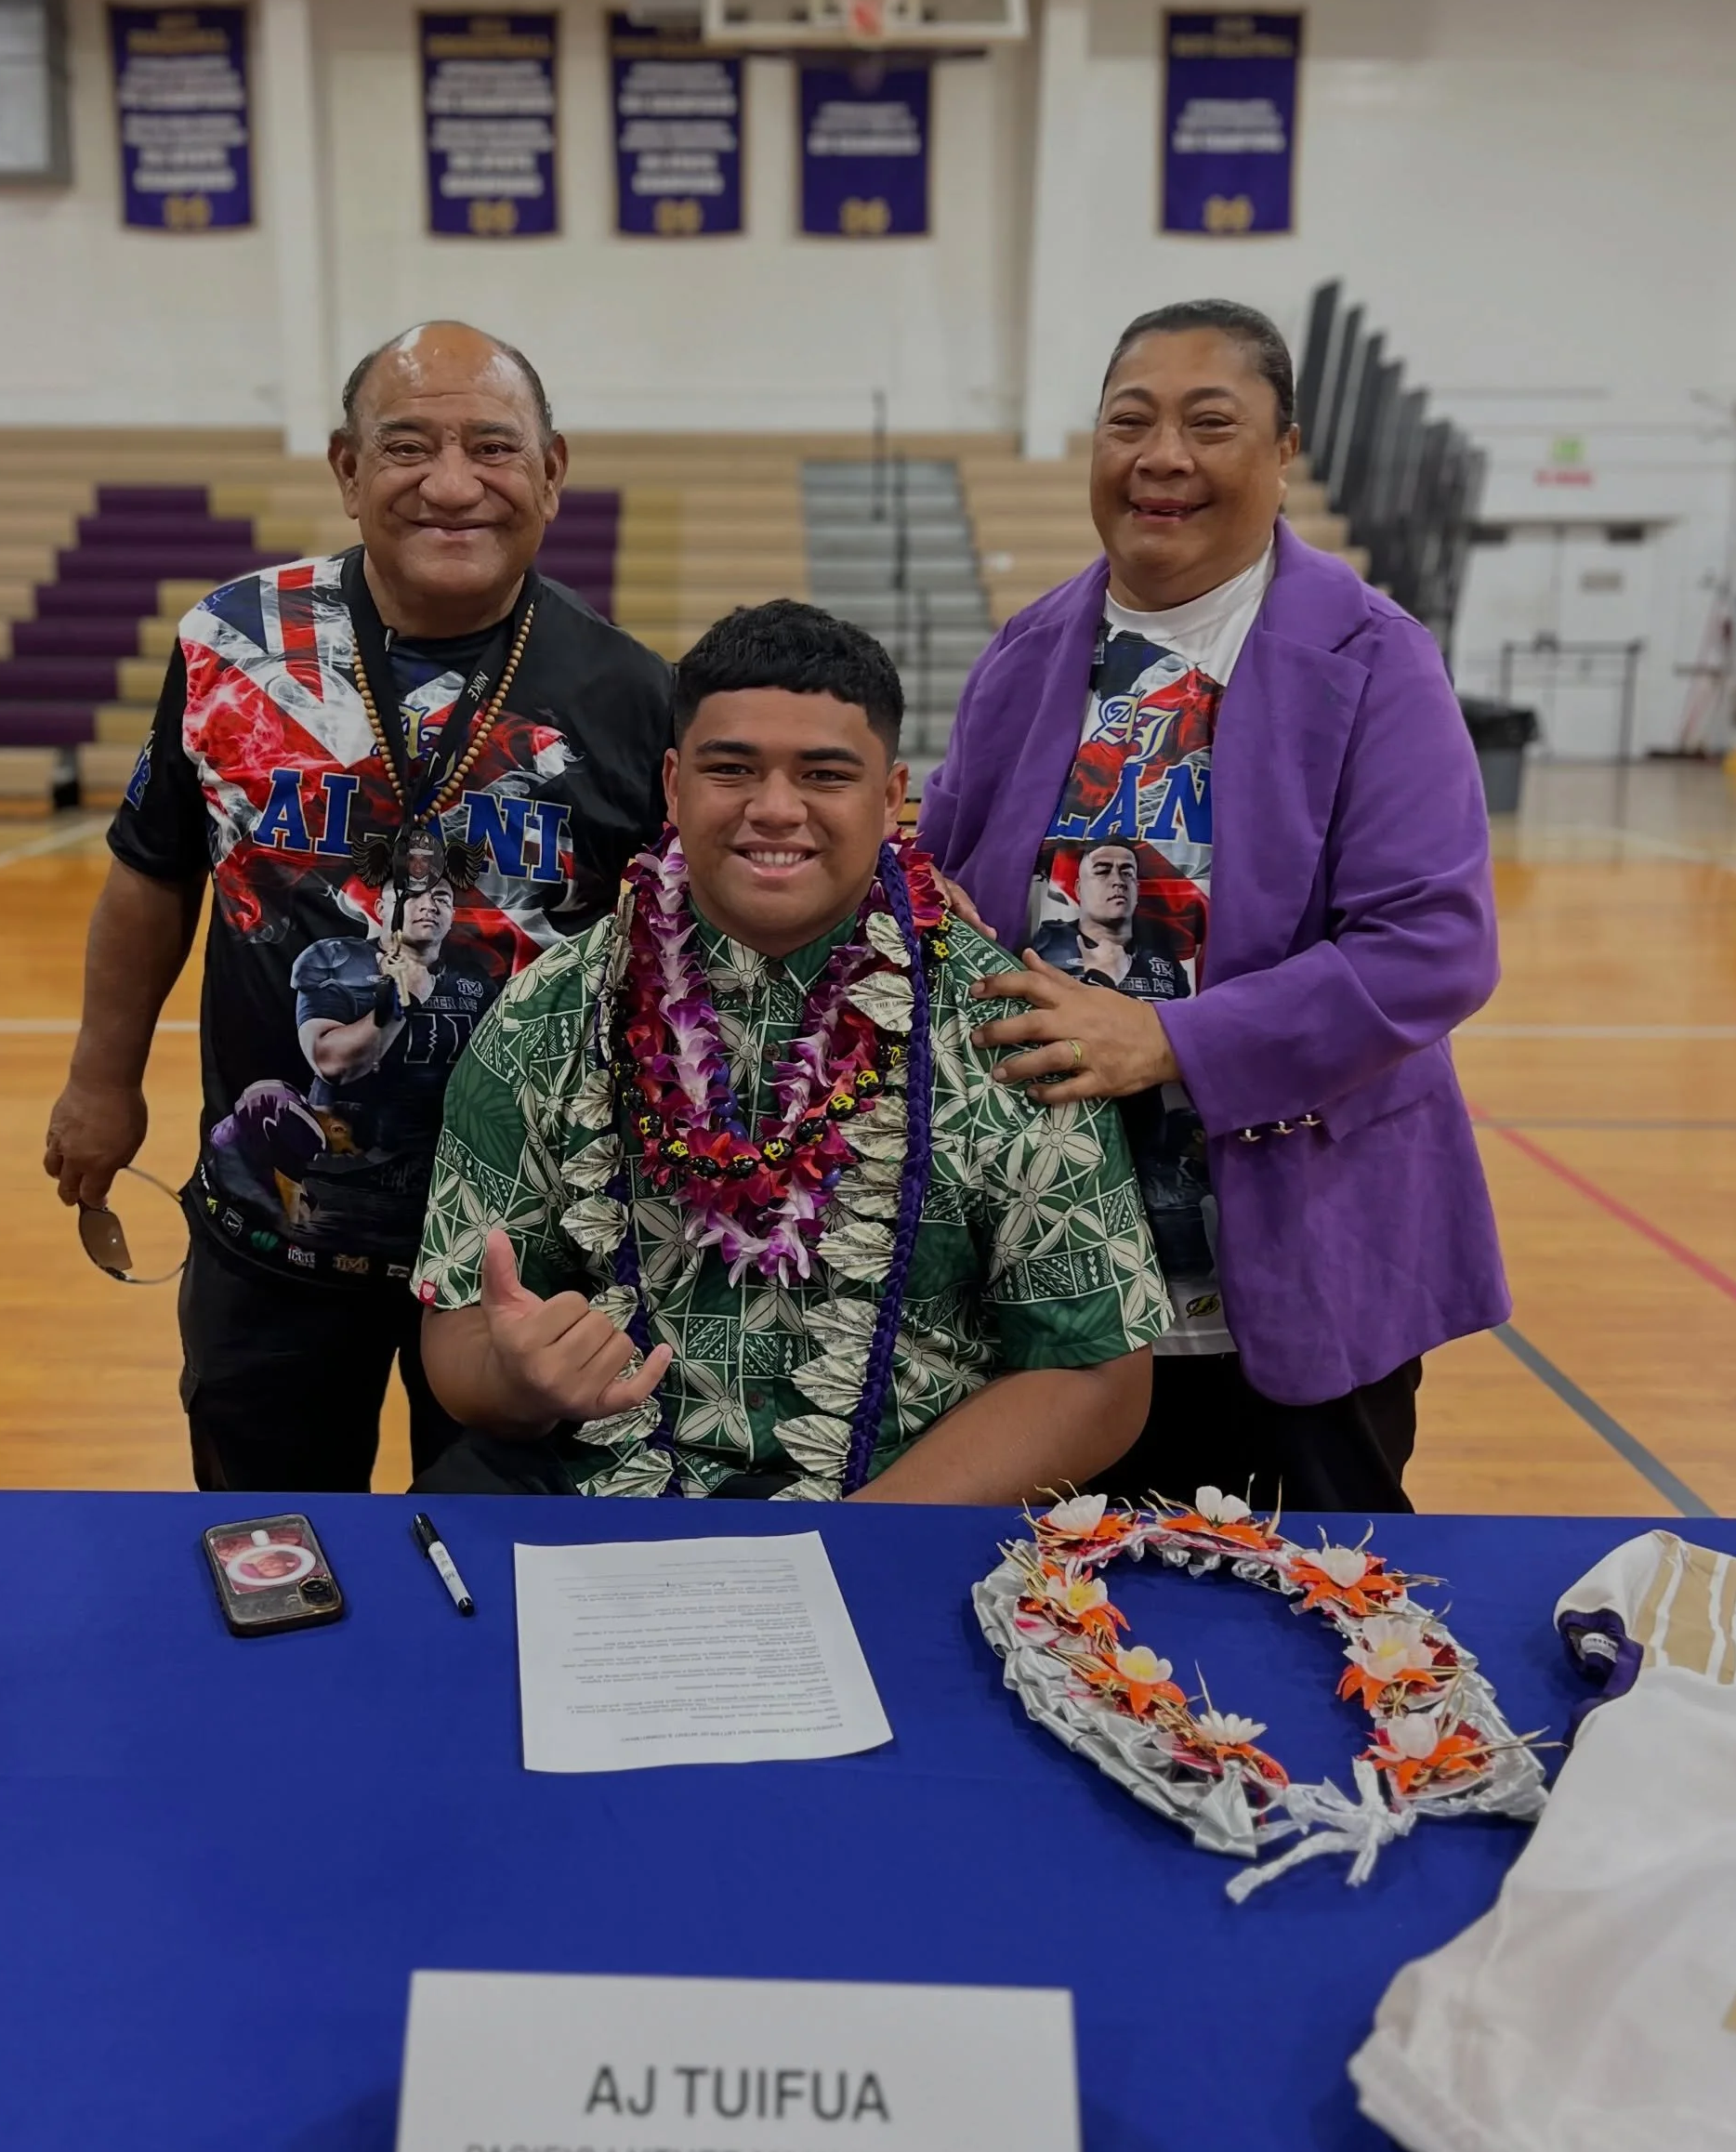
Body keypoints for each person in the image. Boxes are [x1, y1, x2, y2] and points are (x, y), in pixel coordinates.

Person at [44, 321, 674, 1493]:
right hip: (273, 1223)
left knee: (498, 1569)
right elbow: (152, 867)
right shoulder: (236, 644)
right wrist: (100, 1077)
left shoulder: (633, 695)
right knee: (278, 1556)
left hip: (519, 1259)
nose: (451, 484)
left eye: (493, 446)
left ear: (552, 471)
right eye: (406, 447)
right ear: (346, 469)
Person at [918, 298, 1506, 1515]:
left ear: (1284, 449)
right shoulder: (1027, 655)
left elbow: (1433, 945)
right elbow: (948, 910)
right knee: (1054, 1631)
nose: (1163, 456)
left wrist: (1173, 1040)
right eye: (1128, 421)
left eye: (1210, 422)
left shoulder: (1377, 658)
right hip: (1059, 1284)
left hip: (1296, 1267)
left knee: (1307, 1633)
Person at [409, 599, 1168, 1502]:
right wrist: (519, 1381)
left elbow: (1099, 1376)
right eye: (731, 769)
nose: (775, 809)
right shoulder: (548, 1011)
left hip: (910, 1528)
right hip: (600, 1516)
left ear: (892, 799)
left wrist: (851, 1543)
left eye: (823, 774)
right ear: (673, 784)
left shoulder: (1003, 1023)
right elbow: (459, 1326)